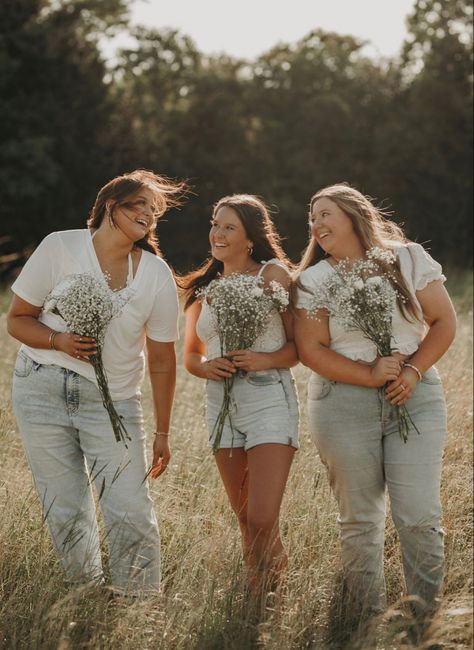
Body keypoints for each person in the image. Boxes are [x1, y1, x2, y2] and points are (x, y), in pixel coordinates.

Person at [7, 169, 185, 597]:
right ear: (111, 206)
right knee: (66, 509)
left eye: (153, 210)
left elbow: (162, 359)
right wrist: (59, 340)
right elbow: (17, 320)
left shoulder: (156, 274)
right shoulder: (60, 246)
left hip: (115, 403)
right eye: (138, 204)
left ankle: (138, 605)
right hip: (40, 388)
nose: (148, 214)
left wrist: (162, 431)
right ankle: (84, 596)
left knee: (131, 509)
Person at [294, 183, 456, 616]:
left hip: (415, 397)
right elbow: (312, 350)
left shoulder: (406, 257)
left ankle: (425, 625)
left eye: (325, 213)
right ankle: (366, 625)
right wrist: (368, 375)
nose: (317, 224)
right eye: (313, 218)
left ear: (353, 213)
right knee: (360, 522)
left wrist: (412, 370)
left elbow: (443, 322)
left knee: (419, 517)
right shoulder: (314, 279)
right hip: (341, 403)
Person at [182, 194, 299, 591]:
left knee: (264, 516)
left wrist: (263, 360)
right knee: (246, 517)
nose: (217, 232)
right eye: (215, 224)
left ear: (250, 237)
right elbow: (191, 356)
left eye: (229, 226)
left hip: (268, 398)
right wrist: (206, 368)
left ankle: (278, 597)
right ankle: (260, 604)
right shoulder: (204, 287)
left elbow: (298, 348)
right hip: (219, 403)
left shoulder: (272, 275)